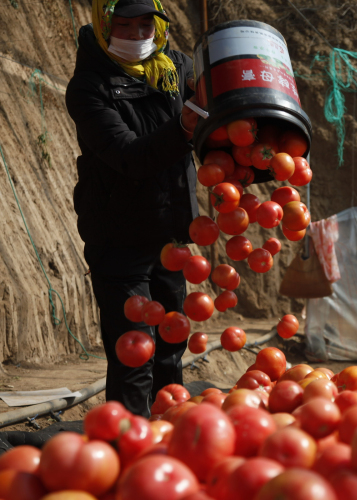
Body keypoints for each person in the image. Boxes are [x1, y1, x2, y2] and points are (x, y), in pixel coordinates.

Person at [66, 0, 200, 416]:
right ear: (105, 26)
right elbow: (129, 156)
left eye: (146, 25)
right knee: (135, 352)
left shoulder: (174, 68)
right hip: (119, 241)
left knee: (170, 351)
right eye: (123, 25)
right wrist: (184, 127)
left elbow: (217, 113)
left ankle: (171, 439)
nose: (137, 36)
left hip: (171, 237)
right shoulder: (90, 86)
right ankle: (129, 449)